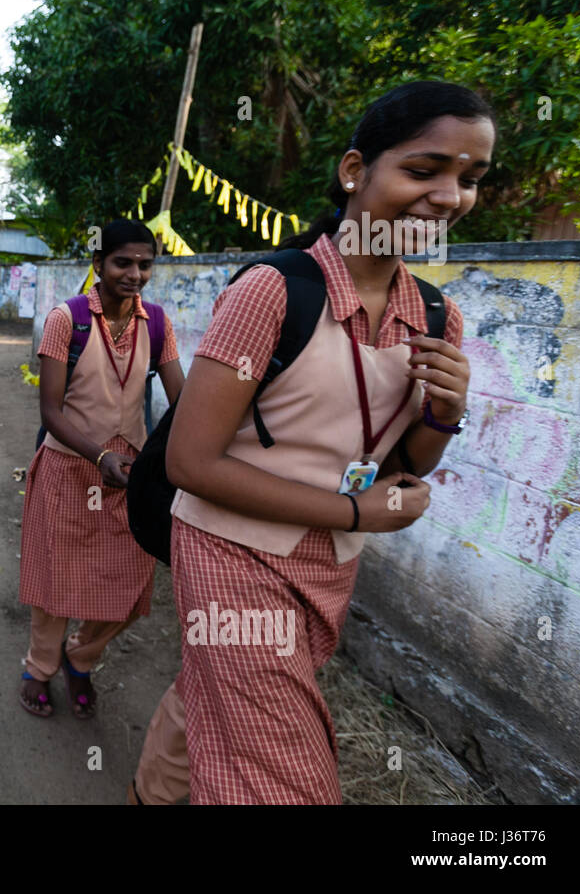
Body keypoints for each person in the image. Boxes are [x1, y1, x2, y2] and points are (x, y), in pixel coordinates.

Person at [131, 81, 486, 804]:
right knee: (280, 772)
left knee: (213, 695)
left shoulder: (437, 315)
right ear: (356, 170)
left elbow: (405, 465)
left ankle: (149, 793)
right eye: (424, 170)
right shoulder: (272, 291)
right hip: (231, 552)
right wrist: (358, 513)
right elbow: (189, 463)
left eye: (470, 179)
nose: (449, 196)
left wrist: (446, 411)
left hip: (327, 561)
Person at [17, 218, 184, 720]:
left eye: (145, 264)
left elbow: (184, 403)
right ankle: (39, 669)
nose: (135, 274)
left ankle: (82, 657)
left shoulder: (157, 322)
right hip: (70, 468)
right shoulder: (65, 320)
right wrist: (99, 456)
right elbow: (51, 412)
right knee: (55, 581)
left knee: (131, 586)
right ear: (98, 264)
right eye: (123, 262)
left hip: (129, 477)